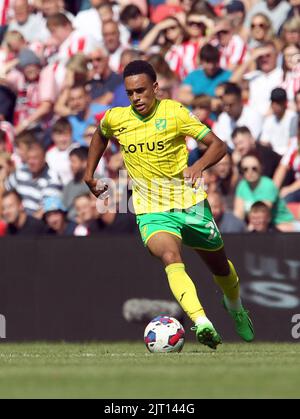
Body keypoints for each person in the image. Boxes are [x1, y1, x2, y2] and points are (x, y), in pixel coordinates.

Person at [84, 60, 254, 350]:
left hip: (190, 204)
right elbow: (101, 134)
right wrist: (89, 174)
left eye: (141, 90)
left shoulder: (174, 112)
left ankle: (235, 305)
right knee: (170, 257)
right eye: (130, 93)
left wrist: (198, 165)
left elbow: (218, 145)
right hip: (152, 209)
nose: (136, 98)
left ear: (155, 88)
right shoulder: (116, 118)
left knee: (221, 269)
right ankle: (202, 322)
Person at [234, 152, 295, 231]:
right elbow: (238, 214)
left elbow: (262, 213)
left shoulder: (268, 185)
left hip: (281, 224)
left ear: (261, 168)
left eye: (254, 168)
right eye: (245, 169)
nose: (250, 172)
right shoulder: (242, 186)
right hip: (259, 226)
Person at [5, 141, 63, 217]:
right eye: (28, 158)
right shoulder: (21, 171)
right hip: (15, 218)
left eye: (35, 158)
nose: (31, 162)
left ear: (44, 158)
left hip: (34, 223)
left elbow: (44, 212)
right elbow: (4, 190)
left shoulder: (53, 179)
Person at [213, 82, 263, 148]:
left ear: (240, 101)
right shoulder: (223, 117)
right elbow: (221, 142)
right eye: (225, 105)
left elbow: (251, 143)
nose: (227, 108)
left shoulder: (253, 115)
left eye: (231, 105)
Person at [260, 87, 298, 155]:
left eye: (277, 102)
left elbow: (293, 144)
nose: (274, 105)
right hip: (272, 156)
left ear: (285, 103)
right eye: (273, 102)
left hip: (288, 155)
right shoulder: (268, 120)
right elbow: (264, 142)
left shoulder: (293, 118)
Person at [273, 118, 300, 202]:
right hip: (296, 185)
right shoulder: (295, 143)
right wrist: (273, 191)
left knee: (286, 199)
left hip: (296, 188)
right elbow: (282, 167)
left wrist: (289, 189)